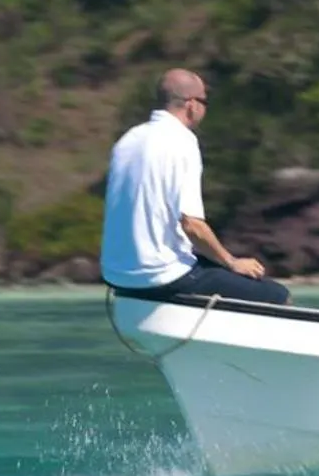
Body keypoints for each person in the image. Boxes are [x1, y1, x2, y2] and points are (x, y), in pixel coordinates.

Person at [98, 69, 289, 304]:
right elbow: (192, 224)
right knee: (278, 295)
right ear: (192, 105)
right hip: (160, 276)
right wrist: (232, 262)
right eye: (205, 102)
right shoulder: (181, 141)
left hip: (116, 276)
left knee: (212, 267)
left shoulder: (128, 139)